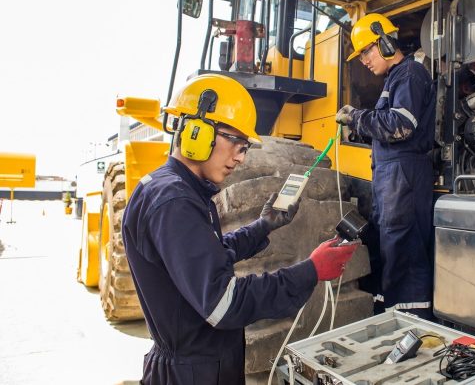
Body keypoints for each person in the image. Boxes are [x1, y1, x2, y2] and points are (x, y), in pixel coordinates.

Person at [122, 74, 357, 384]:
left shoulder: (173, 189)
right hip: (195, 375)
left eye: (245, 147)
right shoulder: (174, 202)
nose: (241, 157)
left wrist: (262, 227)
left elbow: (207, 257)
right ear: (197, 132)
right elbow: (224, 303)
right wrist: (311, 270)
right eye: (237, 142)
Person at [336, 13, 436, 320]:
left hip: (403, 178)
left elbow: (402, 126)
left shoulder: (409, 74)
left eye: (367, 50)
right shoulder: (394, 79)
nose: (364, 60)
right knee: (388, 247)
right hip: (391, 179)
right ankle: (387, 314)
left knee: (403, 250)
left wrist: (356, 117)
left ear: (386, 41)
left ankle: (412, 325)